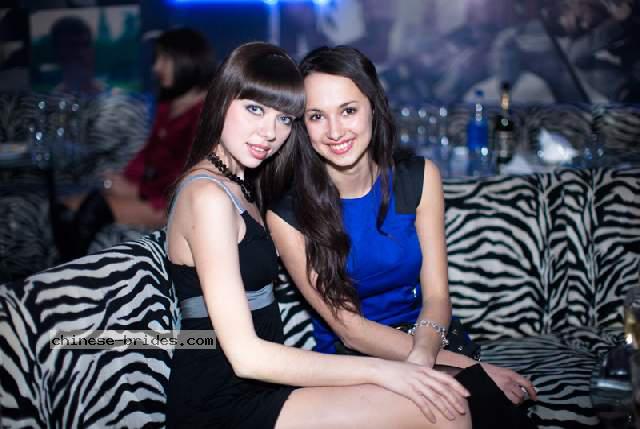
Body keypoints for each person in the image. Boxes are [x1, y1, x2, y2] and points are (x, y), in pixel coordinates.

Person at [165, 41, 474, 429]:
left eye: (283, 118)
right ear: (221, 100)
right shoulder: (208, 196)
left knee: (447, 404)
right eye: (255, 109)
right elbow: (246, 357)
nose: (269, 132)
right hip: (221, 403)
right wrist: (383, 371)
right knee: (447, 409)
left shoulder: (238, 186)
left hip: (261, 387)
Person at [266, 45, 538, 427]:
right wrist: (472, 370)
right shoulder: (288, 213)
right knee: (457, 410)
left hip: (433, 338)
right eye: (316, 116)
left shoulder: (419, 178)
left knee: (497, 416)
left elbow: (438, 297)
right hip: (358, 360)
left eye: (348, 110)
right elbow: (351, 330)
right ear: (302, 124)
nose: (335, 131)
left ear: (373, 108)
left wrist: (431, 358)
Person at [54, 28, 215, 260]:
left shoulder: (205, 112)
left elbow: (191, 173)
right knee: (67, 205)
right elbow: (148, 155)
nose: (156, 68)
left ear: (187, 59)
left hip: (176, 202)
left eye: (163, 59)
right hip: (154, 193)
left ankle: (74, 276)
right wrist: (122, 180)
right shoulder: (168, 104)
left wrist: (136, 190)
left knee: (93, 210)